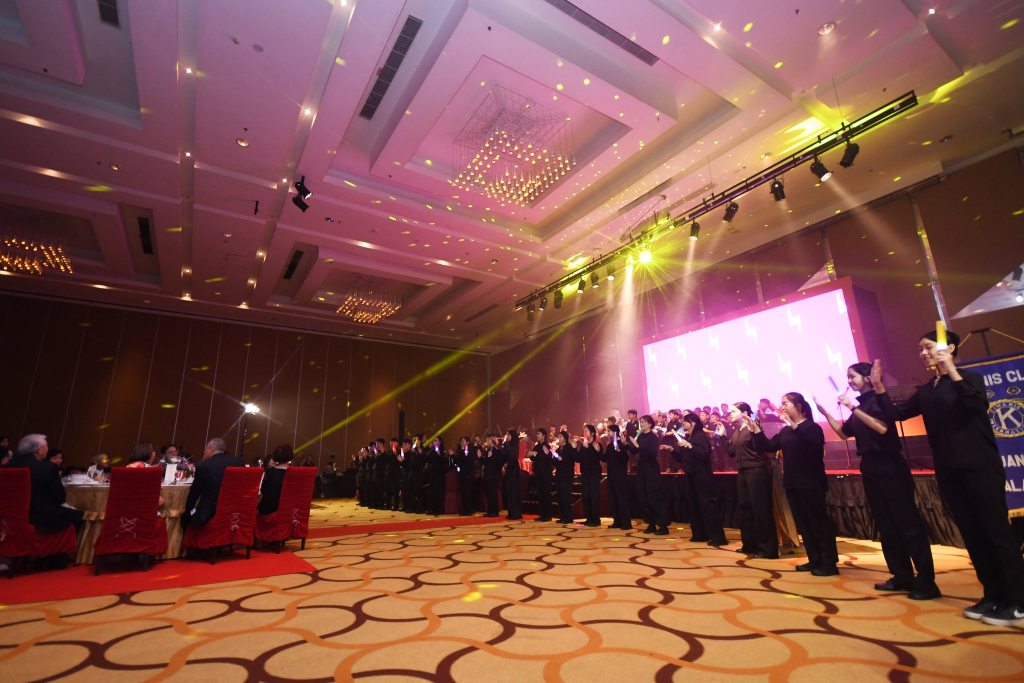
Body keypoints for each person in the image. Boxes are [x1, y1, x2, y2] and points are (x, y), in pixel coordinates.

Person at [875, 330, 1024, 625]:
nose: (923, 353)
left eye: (928, 347)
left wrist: (951, 369)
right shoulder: (928, 389)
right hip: (949, 471)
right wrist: (879, 387)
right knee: (972, 535)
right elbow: (896, 414)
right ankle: (993, 595)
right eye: (920, 349)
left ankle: (1018, 601)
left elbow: (976, 404)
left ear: (950, 347)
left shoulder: (969, 379)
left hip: (980, 467)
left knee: (997, 534)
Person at [815, 363, 940, 599]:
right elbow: (844, 433)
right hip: (870, 467)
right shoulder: (860, 406)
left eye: (852, 376)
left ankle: (926, 581)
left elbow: (881, 428)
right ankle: (901, 575)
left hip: (890, 465)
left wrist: (852, 407)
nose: (849, 381)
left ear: (867, 378)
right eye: (847, 377)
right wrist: (825, 413)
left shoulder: (878, 401)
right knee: (886, 524)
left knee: (908, 524)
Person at [752, 393, 839, 576]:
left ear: (798, 405)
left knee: (818, 523)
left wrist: (793, 425)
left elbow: (813, 448)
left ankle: (829, 562)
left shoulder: (812, 427)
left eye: (785, 403)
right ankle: (814, 559)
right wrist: (756, 430)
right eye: (781, 403)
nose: (782, 407)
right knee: (804, 524)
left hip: (811, 482)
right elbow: (768, 447)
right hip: (792, 482)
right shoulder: (786, 431)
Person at [724, 402, 778, 559]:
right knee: (745, 509)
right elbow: (732, 452)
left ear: (745, 413)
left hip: (756, 471)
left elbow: (761, 447)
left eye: (734, 411)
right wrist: (721, 437)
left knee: (760, 510)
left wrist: (754, 429)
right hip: (743, 472)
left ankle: (768, 549)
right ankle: (749, 545)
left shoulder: (753, 427)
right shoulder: (738, 430)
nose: (730, 413)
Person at [12, 434, 83, 534]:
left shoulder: (9, 465)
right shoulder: (47, 468)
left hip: (10, 515)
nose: (47, 449)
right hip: (38, 517)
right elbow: (59, 498)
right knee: (78, 515)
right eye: (46, 447)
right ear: (40, 449)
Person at [678, 414, 727, 546]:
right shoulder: (690, 437)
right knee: (695, 505)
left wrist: (690, 446)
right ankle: (699, 534)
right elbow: (684, 458)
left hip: (702, 476)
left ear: (693, 422)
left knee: (708, 505)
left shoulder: (700, 435)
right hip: (692, 475)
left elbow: (704, 453)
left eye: (685, 421)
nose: (683, 424)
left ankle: (718, 538)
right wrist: (672, 450)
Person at [181, 437, 245, 529]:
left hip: (208, 515)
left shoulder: (204, 466)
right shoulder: (239, 462)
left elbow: (194, 495)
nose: (204, 452)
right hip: (233, 515)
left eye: (205, 449)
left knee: (185, 519)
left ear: (210, 449)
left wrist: (186, 513)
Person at [628, 415, 669, 535]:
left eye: (644, 422)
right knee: (643, 496)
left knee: (654, 497)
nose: (641, 424)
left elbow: (652, 453)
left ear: (650, 424)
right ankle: (651, 523)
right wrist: (627, 444)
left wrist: (638, 446)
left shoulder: (653, 437)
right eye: (641, 422)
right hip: (641, 469)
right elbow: (635, 451)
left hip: (651, 469)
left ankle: (662, 525)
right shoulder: (641, 436)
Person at [603, 421, 631, 530]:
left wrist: (619, 451)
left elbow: (625, 459)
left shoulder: (620, 443)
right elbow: (604, 458)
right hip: (611, 477)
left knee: (622, 500)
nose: (607, 433)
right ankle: (617, 521)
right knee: (613, 500)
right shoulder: (610, 445)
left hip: (620, 477)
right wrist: (597, 451)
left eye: (609, 431)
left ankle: (626, 523)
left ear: (615, 432)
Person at [577, 424, 603, 527]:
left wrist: (589, 449)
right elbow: (578, 459)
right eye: (584, 431)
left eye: (586, 431)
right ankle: (589, 519)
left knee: (593, 497)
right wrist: (578, 448)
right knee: (586, 496)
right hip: (585, 474)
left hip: (594, 474)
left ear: (592, 433)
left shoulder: (597, 444)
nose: (584, 433)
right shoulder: (584, 445)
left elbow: (597, 459)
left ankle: (596, 520)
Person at [258, 444, 293, 515]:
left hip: (268, 512)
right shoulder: (296, 474)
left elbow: (261, 494)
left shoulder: (267, 473)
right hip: (289, 513)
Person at [528, 429, 554, 522]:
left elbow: (551, 458)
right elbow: (533, 458)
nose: (537, 435)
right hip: (538, 473)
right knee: (540, 495)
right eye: (537, 434)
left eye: (538, 434)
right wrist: (531, 454)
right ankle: (542, 514)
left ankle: (548, 515)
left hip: (546, 474)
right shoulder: (536, 446)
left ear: (543, 435)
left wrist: (538, 454)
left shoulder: (548, 446)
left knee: (546, 494)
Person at [553, 430, 577, 524]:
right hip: (559, 475)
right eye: (558, 437)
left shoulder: (569, 448)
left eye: (560, 437)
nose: (558, 439)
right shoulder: (558, 449)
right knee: (560, 496)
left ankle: (568, 517)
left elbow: (572, 460)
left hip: (567, 475)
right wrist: (553, 457)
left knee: (565, 496)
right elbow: (555, 463)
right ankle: (562, 516)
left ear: (565, 438)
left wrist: (562, 459)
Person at [481, 434, 504, 517]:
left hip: (494, 476)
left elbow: (500, 462)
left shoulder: (497, 450)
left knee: (493, 494)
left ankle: (494, 511)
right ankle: (490, 511)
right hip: (488, 475)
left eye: (488, 440)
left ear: (492, 440)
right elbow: (485, 462)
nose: (487, 442)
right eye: (486, 440)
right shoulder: (488, 450)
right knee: (488, 493)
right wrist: (481, 456)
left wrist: (491, 457)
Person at [502, 429, 523, 520]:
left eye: (509, 435)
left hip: (514, 470)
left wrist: (505, 445)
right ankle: (511, 512)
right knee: (509, 491)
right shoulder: (508, 445)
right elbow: (505, 456)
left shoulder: (515, 445)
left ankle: (516, 513)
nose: (507, 437)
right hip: (509, 470)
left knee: (514, 491)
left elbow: (512, 456)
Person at [456, 437, 478, 516]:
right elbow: (458, 462)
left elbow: (471, 461)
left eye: (463, 441)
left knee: (468, 493)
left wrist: (466, 454)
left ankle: (470, 509)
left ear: (467, 442)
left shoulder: (471, 450)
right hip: (462, 475)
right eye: (461, 441)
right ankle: (465, 509)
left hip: (468, 475)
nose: (461, 443)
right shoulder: (460, 451)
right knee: (463, 493)